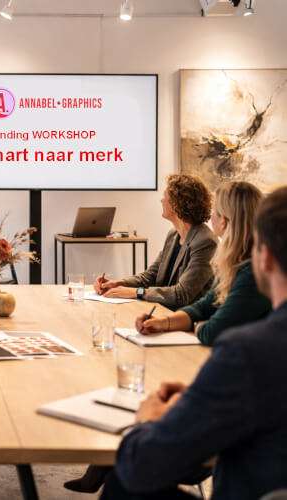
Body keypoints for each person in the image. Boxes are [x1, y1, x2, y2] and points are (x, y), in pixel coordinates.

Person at [102, 186, 287, 500]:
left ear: (265, 257)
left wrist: (147, 421)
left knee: (126, 478)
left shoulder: (246, 351)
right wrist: (205, 394)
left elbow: (141, 464)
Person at [135, 181, 271, 346]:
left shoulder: (252, 273)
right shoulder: (235, 262)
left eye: (215, 211)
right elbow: (203, 307)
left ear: (224, 221)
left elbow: (211, 331)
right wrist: (163, 322)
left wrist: (196, 324)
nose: (211, 216)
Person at [95, 174, 217, 309]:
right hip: (164, 310)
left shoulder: (205, 242)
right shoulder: (173, 235)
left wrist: (136, 292)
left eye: (165, 196)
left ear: (178, 203)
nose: (161, 200)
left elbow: (182, 294)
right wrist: (118, 284)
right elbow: (150, 276)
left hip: (187, 317)